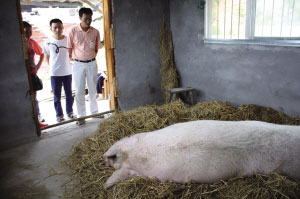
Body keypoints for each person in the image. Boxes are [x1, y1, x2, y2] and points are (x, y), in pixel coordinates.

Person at [67, 7, 102, 125]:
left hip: (92, 63)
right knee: (79, 91)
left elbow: (97, 49)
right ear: (80, 18)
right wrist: (76, 60)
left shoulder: (95, 32)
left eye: (90, 19)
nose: (88, 21)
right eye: (86, 19)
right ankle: (81, 116)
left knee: (93, 89)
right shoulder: (72, 31)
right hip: (78, 64)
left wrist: (90, 59)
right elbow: (69, 49)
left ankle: (95, 113)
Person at [43, 18, 76, 122]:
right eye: (55, 27)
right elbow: (47, 56)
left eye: (60, 27)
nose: (58, 29)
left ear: (63, 27)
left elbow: (71, 53)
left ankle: (70, 112)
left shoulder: (67, 40)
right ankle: (59, 115)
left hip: (67, 72)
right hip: (55, 73)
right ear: (51, 29)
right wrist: (51, 67)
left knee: (69, 94)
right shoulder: (47, 42)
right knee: (57, 96)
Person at [23, 21, 48, 128]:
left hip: (32, 74)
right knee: (26, 98)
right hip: (23, 75)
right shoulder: (20, 43)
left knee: (34, 98)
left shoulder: (32, 42)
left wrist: (37, 66)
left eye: (30, 31)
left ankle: (37, 120)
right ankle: (29, 122)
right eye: (26, 31)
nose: (29, 33)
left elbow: (41, 54)